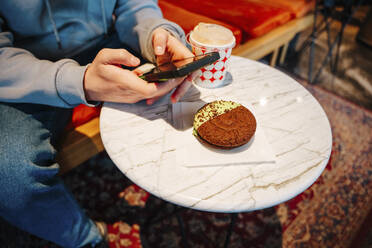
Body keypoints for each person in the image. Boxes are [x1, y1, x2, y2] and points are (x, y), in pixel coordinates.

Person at [0, 0, 194, 247]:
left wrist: (156, 33)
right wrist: (80, 82)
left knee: (186, 92)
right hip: (24, 65)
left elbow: (133, 6)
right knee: (9, 177)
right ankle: (89, 239)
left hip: (107, 43)